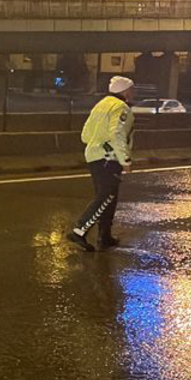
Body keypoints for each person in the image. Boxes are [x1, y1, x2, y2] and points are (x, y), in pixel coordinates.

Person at [67, 76, 135, 252]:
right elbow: (117, 133)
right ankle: (80, 230)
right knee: (106, 196)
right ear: (125, 91)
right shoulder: (121, 108)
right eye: (131, 90)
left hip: (94, 155)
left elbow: (85, 134)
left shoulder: (101, 105)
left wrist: (99, 144)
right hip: (109, 158)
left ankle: (105, 236)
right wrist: (125, 159)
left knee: (108, 196)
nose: (133, 93)